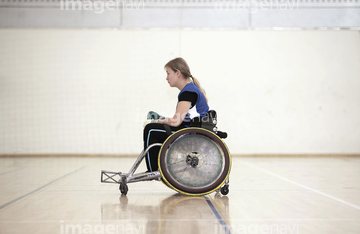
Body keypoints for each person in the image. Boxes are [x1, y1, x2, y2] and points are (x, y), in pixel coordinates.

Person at [143, 57, 209, 172]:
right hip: (191, 129)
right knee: (155, 128)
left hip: (192, 133)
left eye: (168, 73)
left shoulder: (188, 92)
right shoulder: (190, 89)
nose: (166, 78)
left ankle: (154, 170)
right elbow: (179, 119)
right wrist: (161, 118)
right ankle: (158, 167)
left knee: (150, 129)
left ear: (178, 73)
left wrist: (157, 121)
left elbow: (176, 121)